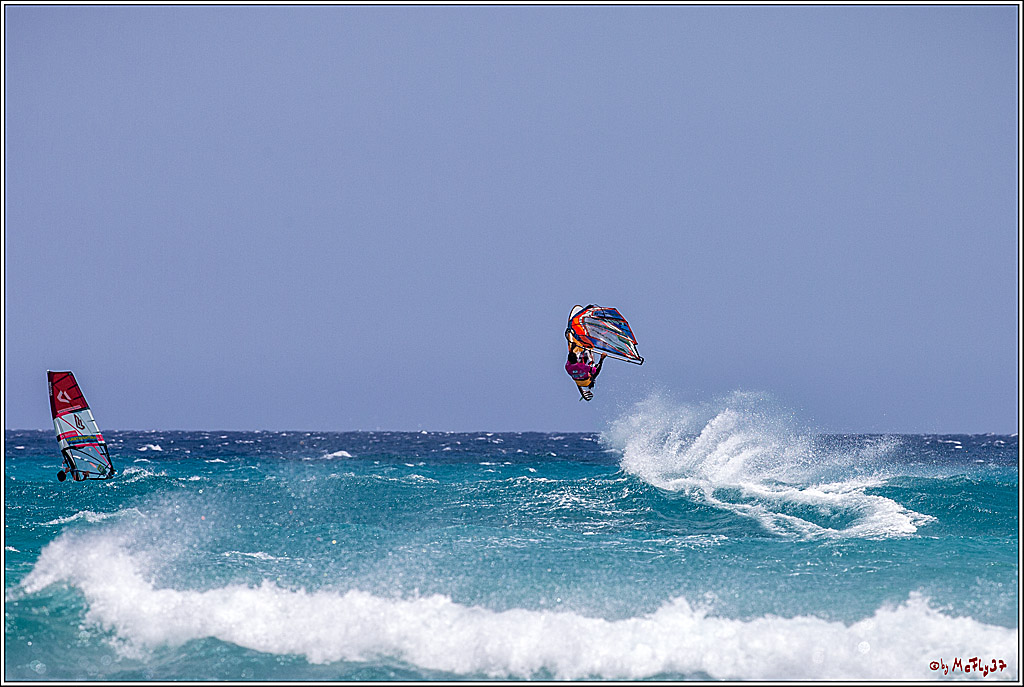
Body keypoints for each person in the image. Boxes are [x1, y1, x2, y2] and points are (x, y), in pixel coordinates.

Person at [565, 336, 607, 401]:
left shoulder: (568, 366)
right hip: (588, 381)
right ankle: (585, 390)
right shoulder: (580, 366)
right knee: (590, 360)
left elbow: (570, 355)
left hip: (578, 381)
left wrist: (573, 347)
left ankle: (582, 392)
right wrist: (602, 359)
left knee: (578, 377)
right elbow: (596, 371)